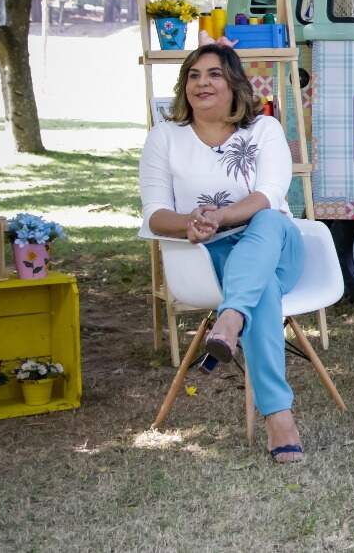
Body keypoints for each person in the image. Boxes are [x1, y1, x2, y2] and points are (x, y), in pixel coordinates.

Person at [139, 43, 307, 463]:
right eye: (193, 75)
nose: (202, 83)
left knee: (267, 219)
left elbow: (270, 194)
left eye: (214, 74)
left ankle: (229, 320)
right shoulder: (164, 138)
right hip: (210, 259)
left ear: (234, 83)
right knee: (259, 291)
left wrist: (222, 217)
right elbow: (155, 214)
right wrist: (190, 223)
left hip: (277, 246)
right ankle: (279, 416)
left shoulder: (263, 130)